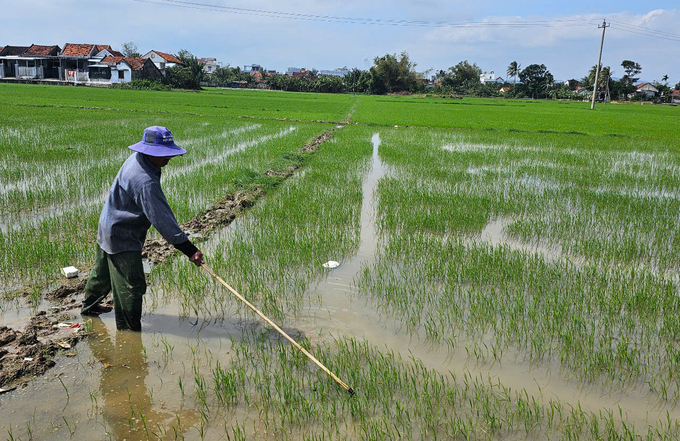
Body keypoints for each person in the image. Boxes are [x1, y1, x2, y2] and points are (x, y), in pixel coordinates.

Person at [81, 126, 204, 331]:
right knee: (132, 286)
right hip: (122, 235)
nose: (168, 159)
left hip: (108, 225)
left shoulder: (137, 158)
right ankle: (129, 333)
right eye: (163, 154)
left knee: (102, 275)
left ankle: (89, 308)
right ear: (149, 152)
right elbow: (162, 219)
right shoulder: (145, 181)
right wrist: (189, 250)